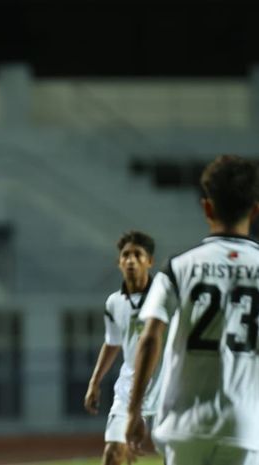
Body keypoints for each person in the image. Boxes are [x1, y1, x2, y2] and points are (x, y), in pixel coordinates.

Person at [126, 154, 259, 465]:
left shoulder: (178, 268)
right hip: (244, 427)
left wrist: (133, 411)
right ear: (254, 212)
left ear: (207, 207)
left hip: (184, 426)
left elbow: (149, 339)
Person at [84, 231, 163, 465]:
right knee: (114, 456)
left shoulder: (167, 296)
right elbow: (112, 342)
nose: (131, 260)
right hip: (128, 389)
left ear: (150, 261)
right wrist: (94, 382)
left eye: (138, 255)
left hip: (166, 388)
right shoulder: (114, 302)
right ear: (118, 262)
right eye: (125, 255)